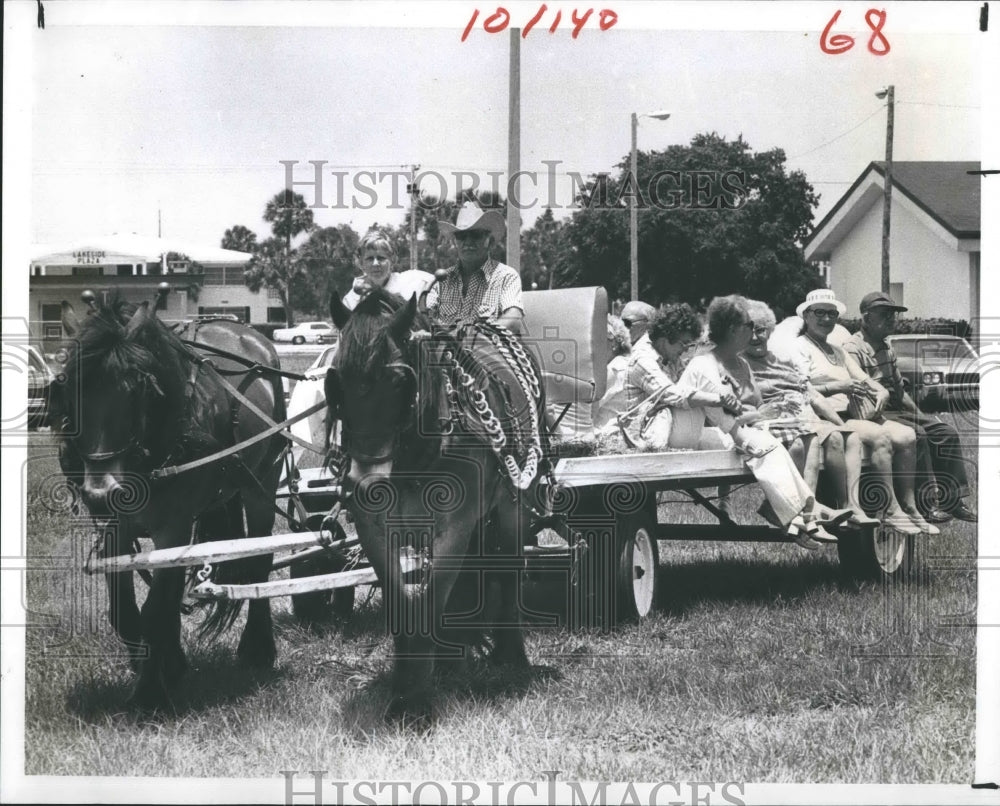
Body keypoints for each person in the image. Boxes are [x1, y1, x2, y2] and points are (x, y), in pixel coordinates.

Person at [620, 301, 835, 546]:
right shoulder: (642, 359)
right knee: (701, 365)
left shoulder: (664, 352)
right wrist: (718, 396)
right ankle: (740, 434)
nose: (683, 351)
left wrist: (719, 394)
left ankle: (800, 515)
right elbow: (674, 396)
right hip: (651, 435)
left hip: (675, 427)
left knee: (765, 445)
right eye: (682, 345)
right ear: (664, 339)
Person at [677, 296, 850, 546]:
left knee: (799, 435)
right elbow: (726, 422)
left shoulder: (742, 364)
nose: (754, 334)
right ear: (733, 331)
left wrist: (773, 411)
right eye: (749, 327)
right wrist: (765, 415)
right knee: (776, 447)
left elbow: (756, 406)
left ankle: (805, 513)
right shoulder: (705, 365)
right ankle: (800, 515)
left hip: (745, 428)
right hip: (718, 435)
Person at [794, 289, 936, 535]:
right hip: (820, 417)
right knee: (881, 437)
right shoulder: (800, 347)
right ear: (806, 316)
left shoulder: (836, 350)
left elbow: (863, 378)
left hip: (847, 414)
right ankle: (891, 509)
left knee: (908, 435)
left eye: (832, 313)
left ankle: (910, 507)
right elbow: (799, 388)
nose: (827, 319)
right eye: (820, 313)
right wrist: (839, 386)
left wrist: (880, 390)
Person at [743, 299, 878, 527]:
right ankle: (807, 510)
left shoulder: (782, 361)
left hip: (799, 418)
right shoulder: (739, 364)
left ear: (769, 331)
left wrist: (839, 423)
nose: (755, 337)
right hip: (773, 423)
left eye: (760, 330)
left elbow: (811, 394)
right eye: (747, 331)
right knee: (813, 437)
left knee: (846, 436)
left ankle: (850, 506)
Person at [843, 291, 976, 522]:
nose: (892, 320)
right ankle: (926, 506)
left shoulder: (886, 347)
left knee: (946, 432)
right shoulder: (853, 348)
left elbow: (900, 392)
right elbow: (859, 395)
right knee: (919, 435)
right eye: (885, 315)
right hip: (872, 414)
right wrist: (916, 423)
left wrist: (923, 416)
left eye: (893, 315)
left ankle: (953, 500)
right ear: (866, 318)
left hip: (896, 410)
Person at [425, 200, 524, 334]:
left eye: (476, 235)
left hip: (488, 352)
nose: (468, 242)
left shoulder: (506, 276)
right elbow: (424, 318)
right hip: (447, 353)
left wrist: (473, 338)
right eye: (462, 236)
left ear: (490, 241)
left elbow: (514, 320)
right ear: (455, 241)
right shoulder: (442, 281)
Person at [342, 226, 434, 310]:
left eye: (381, 258)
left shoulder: (416, 282)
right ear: (361, 263)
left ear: (393, 260)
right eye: (369, 259)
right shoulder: (351, 301)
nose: (375, 264)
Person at [593, 314, 632, 432]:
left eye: (598, 341)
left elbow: (588, 411)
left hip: (605, 434)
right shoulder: (626, 362)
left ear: (614, 343)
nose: (592, 348)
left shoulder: (614, 369)